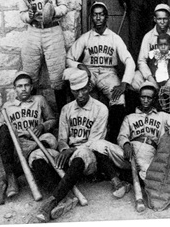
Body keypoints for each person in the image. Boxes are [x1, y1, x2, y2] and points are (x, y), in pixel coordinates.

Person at [34, 68, 130, 223]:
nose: (80, 95)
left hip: (89, 157)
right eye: (76, 91)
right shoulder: (67, 109)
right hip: (69, 153)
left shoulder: (101, 109)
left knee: (82, 154)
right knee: (37, 155)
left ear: (89, 88)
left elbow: (93, 143)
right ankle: (65, 195)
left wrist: (72, 150)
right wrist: (64, 149)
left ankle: (53, 201)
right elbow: (62, 138)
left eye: (83, 90)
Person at [0, 71, 58, 206]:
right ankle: (10, 178)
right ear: (15, 88)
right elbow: (0, 129)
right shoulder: (8, 106)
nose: (23, 89)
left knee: (51, 139)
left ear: (31, 87)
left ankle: (6, 179)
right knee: (4, 129)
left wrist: (42, 126)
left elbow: (52, 119)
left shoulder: (39, 100)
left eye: (27, 85)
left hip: (36, 142)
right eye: (20, 86)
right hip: (17, 144)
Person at [66, 2, 135, 143]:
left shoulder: (114, 38)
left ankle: (113, 138)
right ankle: (79, 135)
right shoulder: (86, 37)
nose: (98, 18)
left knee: (118, 98)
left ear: (106, 17)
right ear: (91, 17)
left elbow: (129, 61)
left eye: (101, 14)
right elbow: (69, 58)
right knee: (77, 89)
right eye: (95, 14)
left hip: (108, 72)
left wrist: (124, 83)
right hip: (89, 71)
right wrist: (80, 66)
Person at [91, 81, 170, 181]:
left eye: (149, 98)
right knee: (98, 144)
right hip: (129, 153)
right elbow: (122, 135)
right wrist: (126, 144)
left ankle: (128, 177)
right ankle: (116, 179)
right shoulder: (130, 117)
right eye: (143, 97)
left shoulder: (162, 116)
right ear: (139, 97)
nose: (145, 100)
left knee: (153, 178)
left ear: (154, 99)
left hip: (149, 153)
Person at [17, 0, 68, 111]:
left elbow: (64, 7)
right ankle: (31, 115)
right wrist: (29, 16)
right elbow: (22, 14)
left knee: (58, 76)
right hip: (33, 31)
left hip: (52, 30)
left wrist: (52, 11)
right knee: (30, 75)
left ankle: (62, 117)